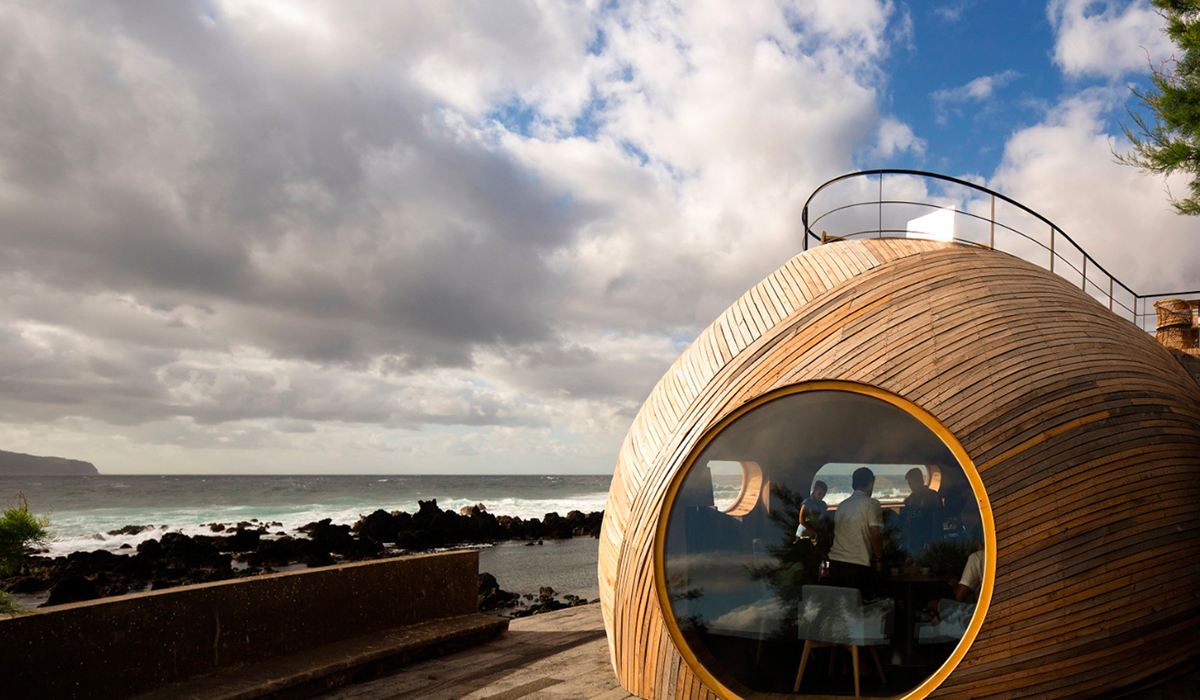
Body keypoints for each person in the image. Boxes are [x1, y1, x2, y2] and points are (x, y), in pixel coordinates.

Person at [827, 467, 884, 597]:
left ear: (853, 485)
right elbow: (875, 532)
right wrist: (880, 558)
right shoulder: (871, 504)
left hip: (836, 564)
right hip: (858, 566)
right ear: (871, 484)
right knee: (859, 609)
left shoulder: (842, 505)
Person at [901, 467, 943, 556]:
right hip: (914, 538)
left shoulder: (932, 496)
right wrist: (903, 537)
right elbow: (909, 519)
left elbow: (937, 517)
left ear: (921, 480)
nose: (911, 486)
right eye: (909, 483)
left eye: (913, 482)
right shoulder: (910, 499)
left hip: (929, 537)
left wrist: (934, 537)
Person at [794, 481, 829, 585]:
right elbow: (801, 520)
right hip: (804, 535)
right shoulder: (807, 502)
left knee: (815, 560)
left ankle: (814, 581)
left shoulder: (823, 505)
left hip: (815, 536)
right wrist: (815, 532)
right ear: (814, 491)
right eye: (819, 493)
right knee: (804, 561)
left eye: (823, 494)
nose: (821, 496)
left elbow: (822, 521)